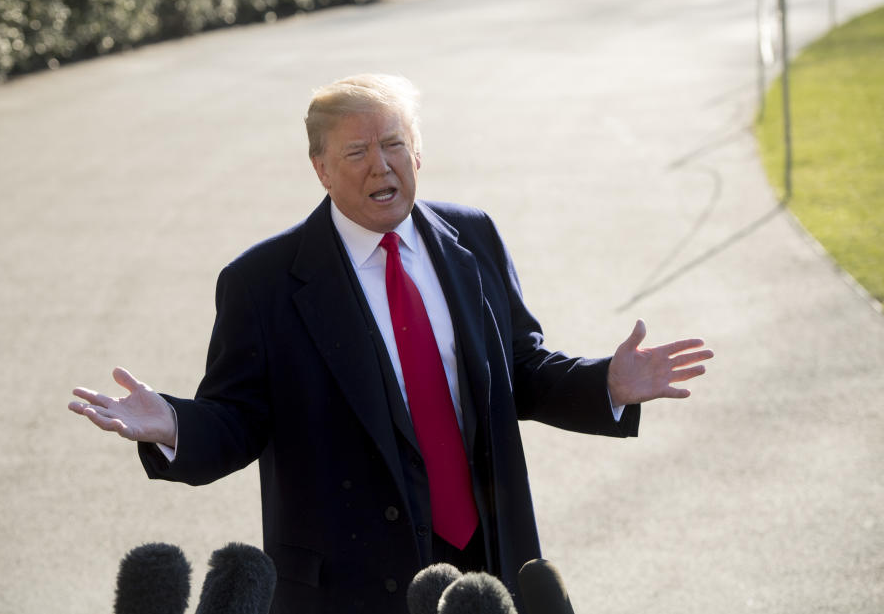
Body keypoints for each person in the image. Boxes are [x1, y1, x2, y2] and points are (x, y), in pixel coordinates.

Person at [68, 74, 712, 614]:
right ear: (320, 168)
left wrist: (607, 384)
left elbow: (519, 366)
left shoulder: (473, 236)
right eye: (356, 152)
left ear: (418, 154)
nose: (381, 164)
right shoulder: (262, 282)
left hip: (486, 562)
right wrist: (174, 422)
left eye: (395, 144)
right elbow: (240, 417)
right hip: (349, 584)